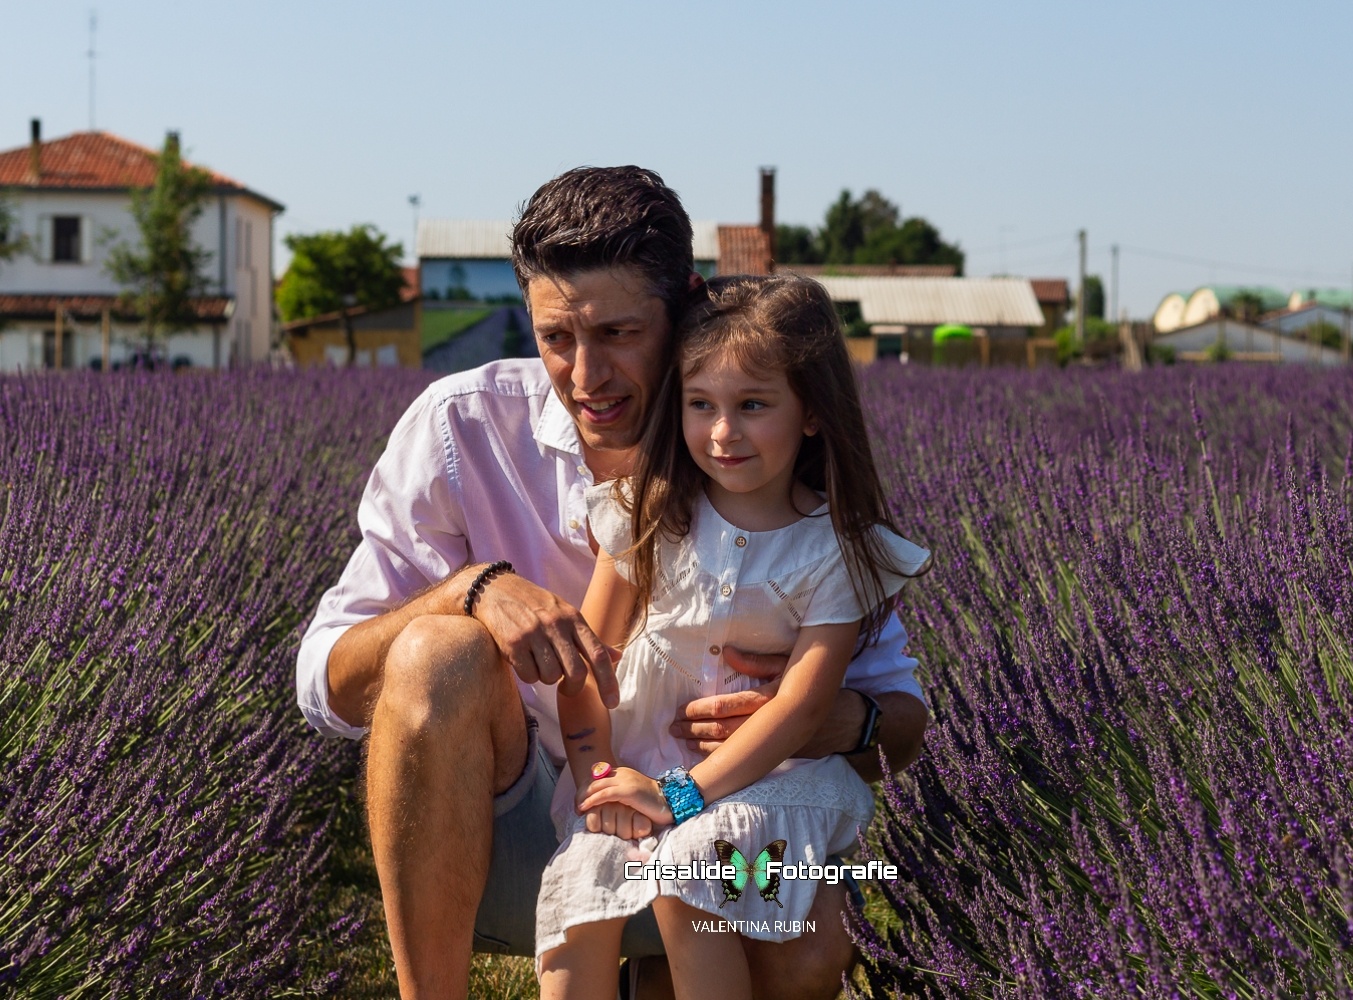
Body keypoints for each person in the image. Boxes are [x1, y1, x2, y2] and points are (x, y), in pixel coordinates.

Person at [294, 166, 930, 1000]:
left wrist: (822, 717)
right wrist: (472, 591)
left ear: (689, 304)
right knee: (436, 650)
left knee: (811, 949)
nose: (587, 375)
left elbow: (903, 733)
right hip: (518, 827)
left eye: (620, 333)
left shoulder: (786, 486)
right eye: (557, 338)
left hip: (729, 824)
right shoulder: (462, 426)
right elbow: (325, 684)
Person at [535, 275, 929, 1000]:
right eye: (700, 405)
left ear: (812, 412)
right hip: (639, 772)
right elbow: (585, 665)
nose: (723, 432)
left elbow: (801, 710)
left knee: (694, 876)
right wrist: (598, 781)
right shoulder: (649, 513)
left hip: (773, 786)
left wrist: (680, 797)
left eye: (752, 405)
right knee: (578, 902)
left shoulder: (833, 552)